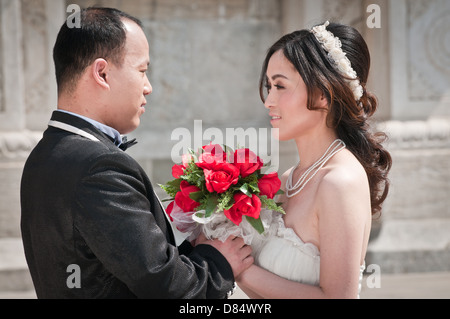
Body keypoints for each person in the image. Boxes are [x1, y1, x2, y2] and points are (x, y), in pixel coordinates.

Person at [20, 7, 253, 299]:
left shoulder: (44, 154)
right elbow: (166, 287)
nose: (148, 88)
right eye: (142, 71)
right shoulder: (98, 166)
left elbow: (116, 268)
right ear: (102, 72)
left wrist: (195, 251)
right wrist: (218, 262)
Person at [236, 21, 392, 298]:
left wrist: (240, 269)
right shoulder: (287, 180)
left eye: (280, 86)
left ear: (322, 94)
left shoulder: (339, 182)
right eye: (269, 86)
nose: (268, 100)